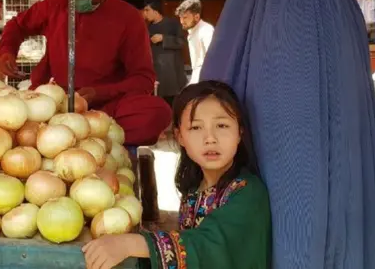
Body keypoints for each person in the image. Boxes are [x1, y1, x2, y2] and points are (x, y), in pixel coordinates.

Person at [200, 0, 375, 269]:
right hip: (347, 173)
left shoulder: (268, 12)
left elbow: (213, 87)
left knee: (294, 241)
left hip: (284, 179)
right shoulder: (343, 5)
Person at [82, 80, 271, 269]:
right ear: (180, 136)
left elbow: (207, 245)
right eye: (196, 127)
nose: (210, 138)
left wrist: (130, 244)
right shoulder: (195, 187)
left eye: (221, 126)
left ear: (240, 132)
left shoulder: (248, 194)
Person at [0, 0, 171, 148]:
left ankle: (84, 137)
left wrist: (99, 93)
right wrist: (7, 51)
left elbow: (143, 79)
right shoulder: (55, 4)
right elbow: (17, 25)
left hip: (104, 110)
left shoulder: (129, 18)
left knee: (158, 112)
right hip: (52, 104)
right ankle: (79, 139)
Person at [143, 0, 188, 107]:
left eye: (147, 10)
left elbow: (182, 42)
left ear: (155, 10)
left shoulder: (172, 23)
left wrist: (164, 38)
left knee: (173, 102)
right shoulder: (148, 27)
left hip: (171, 71)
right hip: (156, 71)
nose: (145, 13)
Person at [176, 0, 214, 84]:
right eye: (180, 17)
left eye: (185, 17)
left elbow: (212, 58)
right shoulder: (193, 31)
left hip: (205, 78)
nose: (182, 21)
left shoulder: (206, 30)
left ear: (196, 17)